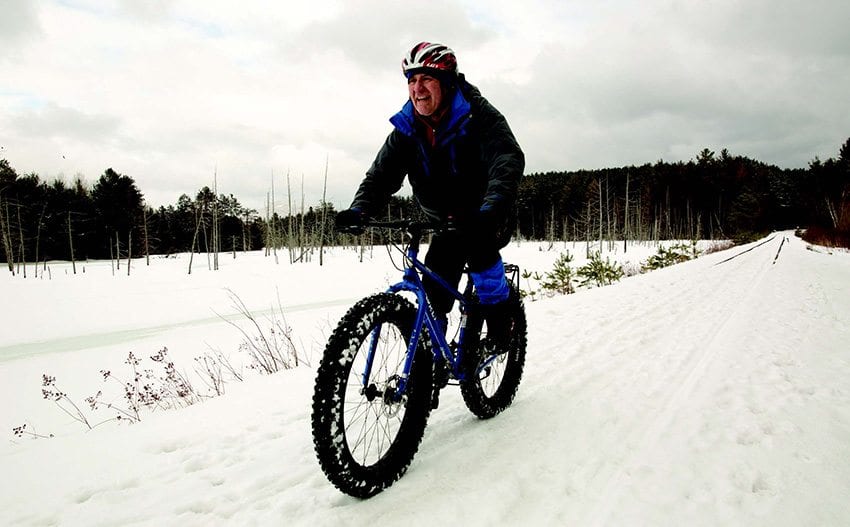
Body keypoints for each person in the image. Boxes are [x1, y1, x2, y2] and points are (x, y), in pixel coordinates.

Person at [336, 41, 525, 347]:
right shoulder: (408, 128)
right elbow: (381, 176)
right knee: (435, 293)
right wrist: (360, 210)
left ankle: (503, 328)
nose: (417, 88)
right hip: (443, 222)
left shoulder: (478, 116)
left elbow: (507, 160)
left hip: (485, 215)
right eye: (411, 80)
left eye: (426, 79)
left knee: (481, 258)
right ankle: (428, 364)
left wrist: (491, 209)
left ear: (447, 83)